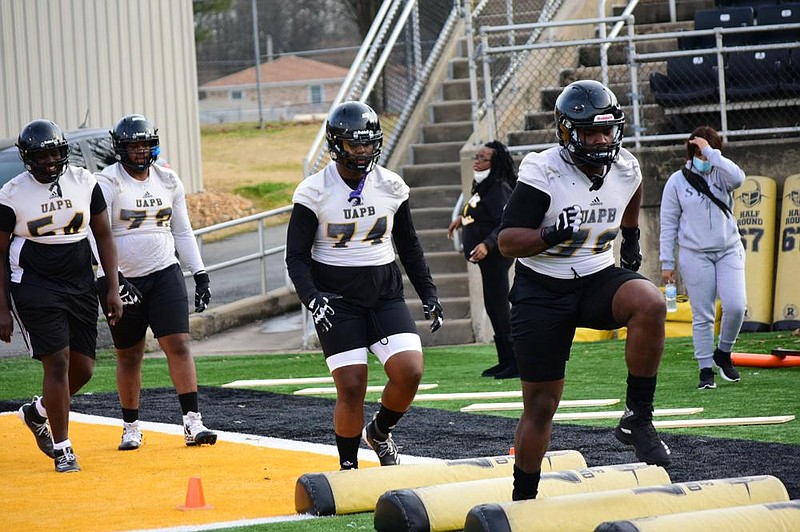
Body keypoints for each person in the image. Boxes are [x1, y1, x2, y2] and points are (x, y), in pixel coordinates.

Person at [497, 80, 671, 501]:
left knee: (650, 302)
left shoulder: (626, 165)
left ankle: (638, 418)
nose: (600, 140)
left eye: (606, 131)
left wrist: (630, 237)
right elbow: (507, 242)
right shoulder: (544, 170)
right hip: (542, 287)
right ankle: (524, 497)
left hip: (596, 276)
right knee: (540, 407)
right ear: (567, 133)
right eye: (589, 132)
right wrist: (549, 234)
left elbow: (632, 192)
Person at [285, 101, 443, 470]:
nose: (362, 152)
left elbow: (409, 244)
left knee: (410, 371)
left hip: (384, 293)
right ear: (336, 145)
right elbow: (296, 256)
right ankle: (348, 465)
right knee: (352, 385)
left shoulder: (390, 185)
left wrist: (428, 292)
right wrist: (312, 298)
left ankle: (380, 431)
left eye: (368, 144)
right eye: (354, 145)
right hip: (337, 299)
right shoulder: (313, 191)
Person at [0, 119, 123, 472]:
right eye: (42, 155)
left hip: (80, 281)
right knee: (58, 362)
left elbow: (104, 235)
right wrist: (2, 307)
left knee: (83, 369)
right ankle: (63, 447)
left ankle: (37, 413)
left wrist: (112, 287)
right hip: (35, 283)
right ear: (28, 158)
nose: (51, 161)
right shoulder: (11, 194)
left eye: (55, 152)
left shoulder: (84, 181)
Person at [95, 114, 216, 451]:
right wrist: (112, 278)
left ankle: (193, 422)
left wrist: (200, 271)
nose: (139, 151)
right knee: (129, 355)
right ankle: (131, 426)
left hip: (164, 272)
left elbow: (182, 230)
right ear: (120, 148)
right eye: (133, 145)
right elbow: (96, 234)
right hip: (124, 279)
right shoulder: (107, 182)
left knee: (178, 344)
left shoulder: (167, 179)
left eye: (144, 144)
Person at [660, 126, 746, 390]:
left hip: (729, 249)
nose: (704, 157)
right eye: (699, 152)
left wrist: (712, 153)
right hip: (694, 254)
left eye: (707, 151)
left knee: (736, 306)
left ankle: (724, 352)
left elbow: (739, 178)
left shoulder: (722, 174)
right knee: (703, 315)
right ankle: (705, 368)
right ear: (691, 152)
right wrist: (666, 263)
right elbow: (668, 223)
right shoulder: (676, 181)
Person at [448, 140, 517, 379]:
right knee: (493, 306)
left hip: (496, 256)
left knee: (499, 307)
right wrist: (461, 219)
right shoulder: (483, 186)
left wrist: (487, 244)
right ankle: (505, 360)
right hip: (486, 260)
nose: (476, 162)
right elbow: (478, 211)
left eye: (482, 158)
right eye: (475, 158)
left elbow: (505, 222)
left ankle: (514, 362)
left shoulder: (499, 187)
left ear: (494, 163)